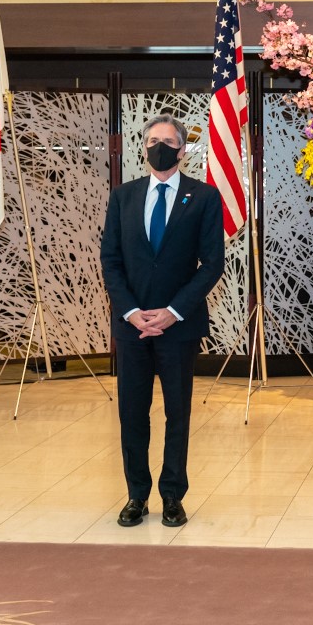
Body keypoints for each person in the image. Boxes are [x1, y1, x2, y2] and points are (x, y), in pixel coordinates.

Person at [100, 114, 223, 528]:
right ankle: (136, 495)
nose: (160, 146)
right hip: (132, 327)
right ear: (143, 146)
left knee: (177, 413)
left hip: (179, 327)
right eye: (153, 140)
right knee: (132, 413)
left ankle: (172, 495)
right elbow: (111, 261)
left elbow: (212, 265)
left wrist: (171, 313)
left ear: (182, 149)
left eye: (168, 141)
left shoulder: (204, 197)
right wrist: (133, 312)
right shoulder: (123, 197)